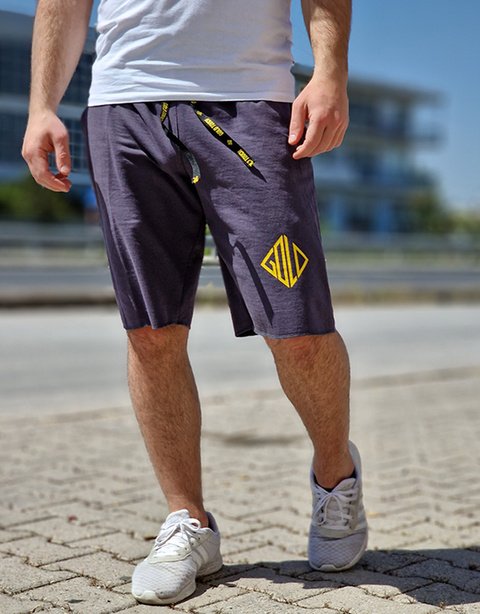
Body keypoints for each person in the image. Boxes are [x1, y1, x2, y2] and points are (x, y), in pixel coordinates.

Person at [22, 0, 368, 606]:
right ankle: (189, 522)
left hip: (250, 100)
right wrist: (42, 105)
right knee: (151, 330)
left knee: (298, 330)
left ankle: (336, 478)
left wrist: (329, 71)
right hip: (123, 103)